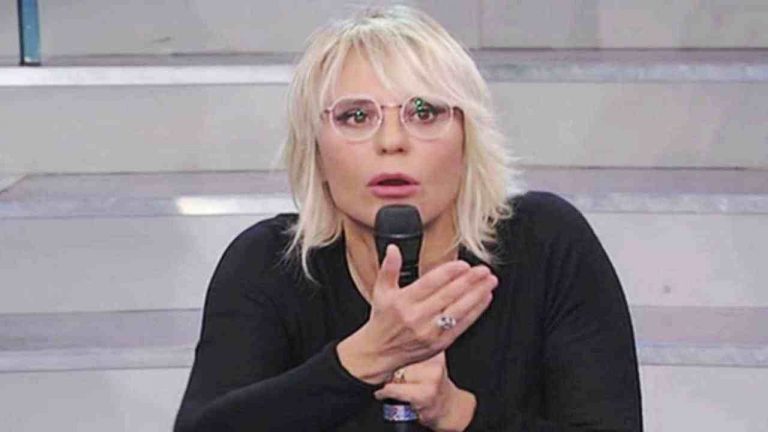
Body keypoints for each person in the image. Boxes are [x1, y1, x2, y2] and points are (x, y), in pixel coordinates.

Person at [174, 5, 642, 432]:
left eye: (424, 112)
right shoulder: (269, 261)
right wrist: (364, 358)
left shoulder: (546, 243)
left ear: (468, 138)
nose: (392, 141)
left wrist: (459, 414)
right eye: (356, 116)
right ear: (315, 150)